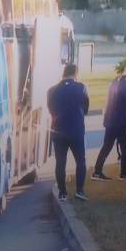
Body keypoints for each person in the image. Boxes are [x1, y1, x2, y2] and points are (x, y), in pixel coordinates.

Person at [47, 64, 90, 202]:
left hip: (58, 130)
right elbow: (86, 108)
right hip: (76, 129)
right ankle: (79, 190)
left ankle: (62, 192)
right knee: (80, 160)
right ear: (76, 73)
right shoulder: (82, 87)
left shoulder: (52, 90)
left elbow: (51, 109)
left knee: (60, 162)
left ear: (63, 73)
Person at [92, 59, 126, 181]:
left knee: (106, 146)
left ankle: (97, 171)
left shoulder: (115, 80)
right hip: (122, 120)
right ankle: (124, 173)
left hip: (110, 118)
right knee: (125, 147)